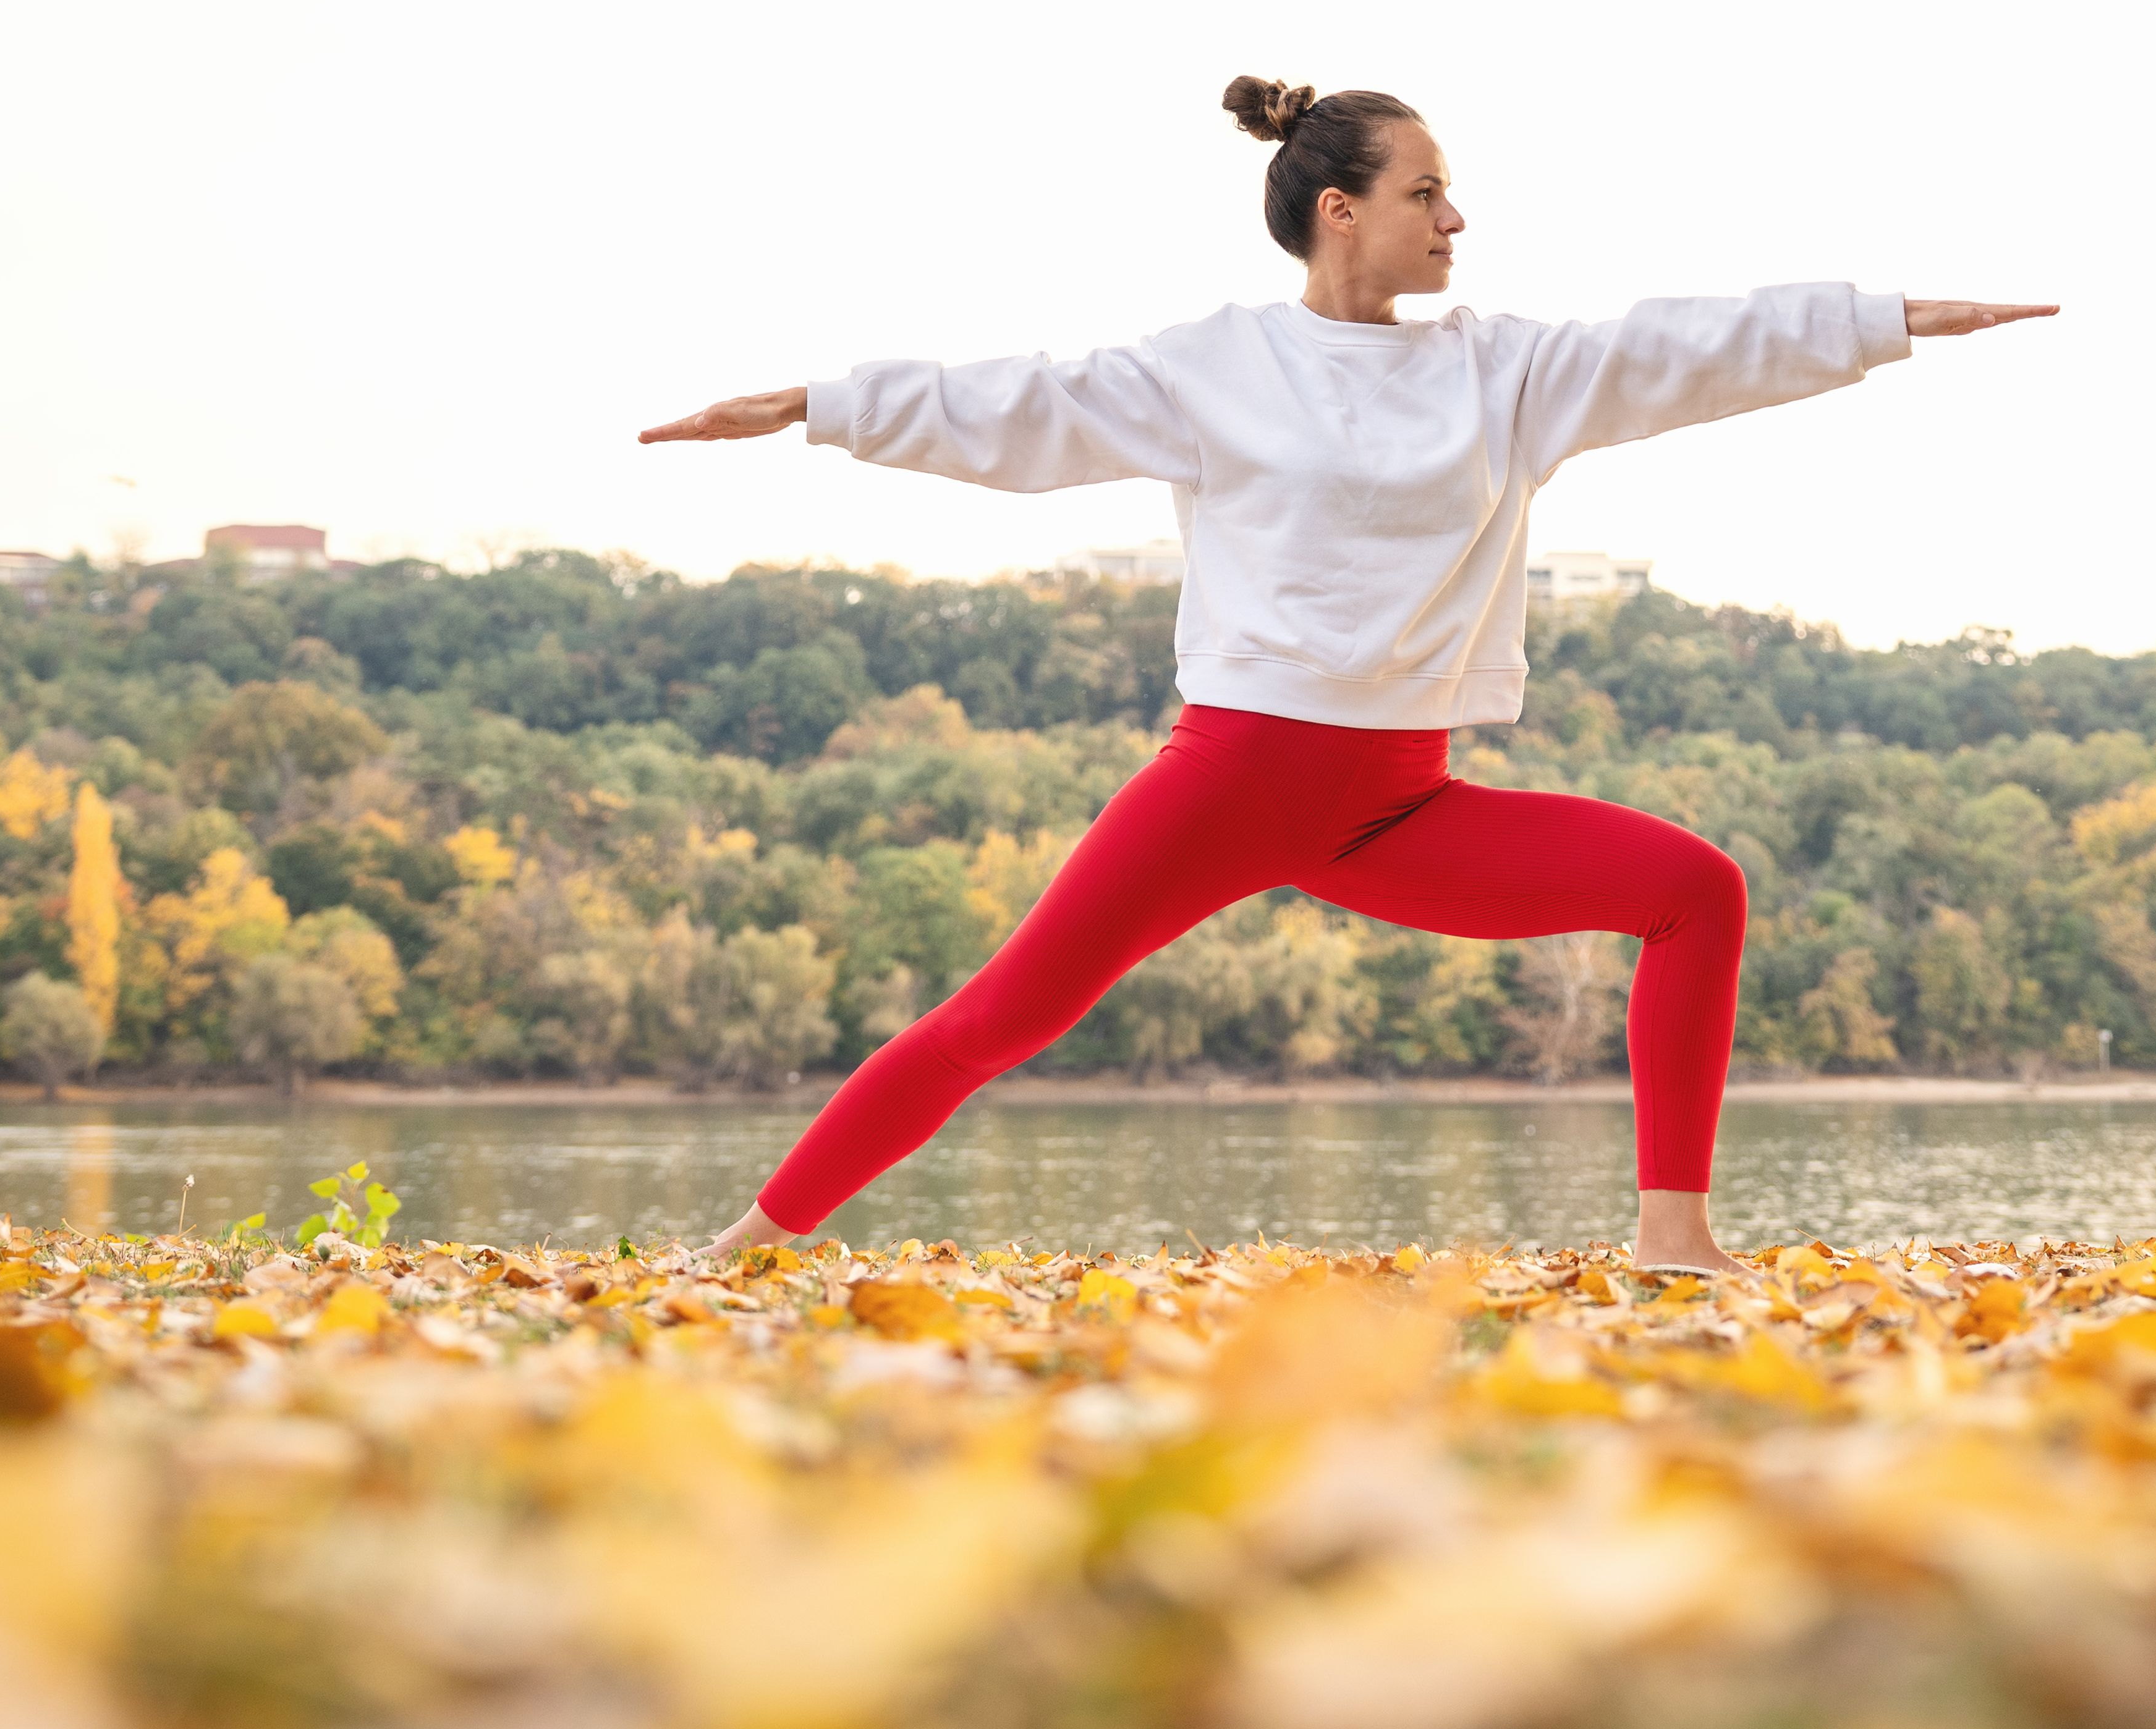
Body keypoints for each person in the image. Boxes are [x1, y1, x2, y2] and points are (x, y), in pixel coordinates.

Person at [638, 77, 2054, 1270]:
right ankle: (742, 1249)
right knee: (1000, 1017)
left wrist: (1889, 316)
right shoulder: (1219, 365)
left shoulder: (1505, 373)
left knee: (1696, 889)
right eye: (1428, 193)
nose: (1455, 219)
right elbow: (1017, 404)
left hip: (1400, 800)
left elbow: (1687, 345)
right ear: (1342, 210)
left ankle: (1673, 1237)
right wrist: (815, 406)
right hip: (1236, 778)